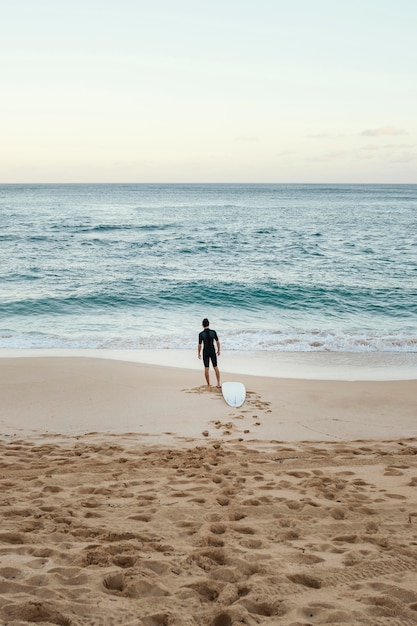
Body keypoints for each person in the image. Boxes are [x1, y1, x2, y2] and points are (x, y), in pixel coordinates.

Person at [198, 318, 221, 387]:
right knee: (215, 366)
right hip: (212, 350)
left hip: (205, 351)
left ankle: (208, 384)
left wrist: (198, 353)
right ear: (209, 324)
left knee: (206, 368)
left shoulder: (201, 334)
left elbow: (200, 345)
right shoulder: (213, 332)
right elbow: (217, 342)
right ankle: (218, 383)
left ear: (202, 325)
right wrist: (219, 350)